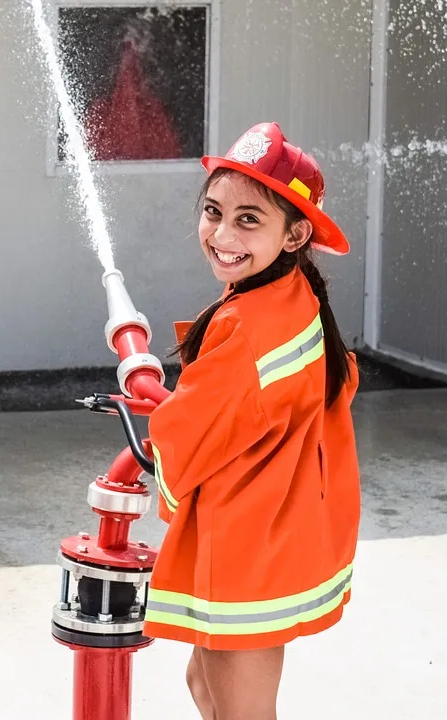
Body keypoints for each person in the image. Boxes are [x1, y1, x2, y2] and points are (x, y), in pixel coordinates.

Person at [142, 122, 360, 720]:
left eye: (248, 220)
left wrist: (156, 419)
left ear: (295, 235)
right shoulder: (298, 297)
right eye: (213, 211)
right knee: (203, 683)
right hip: (280, 526)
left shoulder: (246, 326)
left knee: (237, 707)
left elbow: (190, 433)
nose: (221, 233)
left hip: (245, 542)